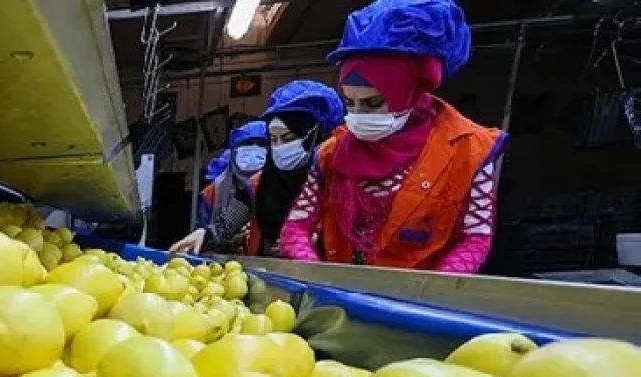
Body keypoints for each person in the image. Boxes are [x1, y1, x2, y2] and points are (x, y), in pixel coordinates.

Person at [278, 0, 505, 273]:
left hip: (419, 301)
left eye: (373, 103)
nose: (358, 116)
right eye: (350, 103)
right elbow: (296, 226)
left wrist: (433, 291)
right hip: (345, 297)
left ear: (408, 90)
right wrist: (319, 275)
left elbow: (475, 237)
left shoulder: (470, 150)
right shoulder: (331, 154)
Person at [248, 80, 346, 256]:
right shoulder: (261, 184)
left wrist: (318, 238)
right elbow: (233, 215)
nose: (279, 147)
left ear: (317, 134)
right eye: (273, 139)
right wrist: (207, 232)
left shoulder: (338, 181)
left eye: (288, 138)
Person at [170, 121, 268, 255]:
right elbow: (220, 229)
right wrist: (206, 236)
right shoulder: (217, 192)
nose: (254, 150)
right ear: (233, 152)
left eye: (261, 145)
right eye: (248, 145)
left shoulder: (275, 186)